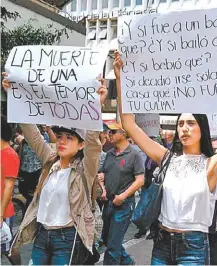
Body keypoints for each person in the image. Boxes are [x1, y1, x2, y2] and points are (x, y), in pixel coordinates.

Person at [113, 52, 217, 265]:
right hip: (161, 244)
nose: (185, 129)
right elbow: (129, 124)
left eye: (191, 123)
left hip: (194, 247)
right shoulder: (167, 158)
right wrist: (120, 78)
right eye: (181, 124)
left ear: (202, 129)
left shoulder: (213, 165)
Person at [2, 75, 107, 265]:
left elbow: (94, 145)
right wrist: (14, 95)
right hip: (42, 236)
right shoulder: (50, 161)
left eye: (69, 137)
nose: (62, 141)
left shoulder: (85, 169)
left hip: (67, 239)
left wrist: (96, 107)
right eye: (59, 136)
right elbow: (32, 135)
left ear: (81, 145)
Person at [100, 122, 145, 265]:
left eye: (113, 132)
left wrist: (123, 196)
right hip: (108, 203)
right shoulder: (109, 154)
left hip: (123, 205)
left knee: (113, 247)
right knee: (108, 239)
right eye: (109, 132)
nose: (109, 135)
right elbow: (103, 173)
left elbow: (140, 180)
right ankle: (127, 262)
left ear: (123, 134)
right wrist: (102, 184)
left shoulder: (134, 154)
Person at [1, 115, 22, 265]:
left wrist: (0, 214)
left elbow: (9, 187)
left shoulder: (9, 154)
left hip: (3, 211)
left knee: (7, 248)